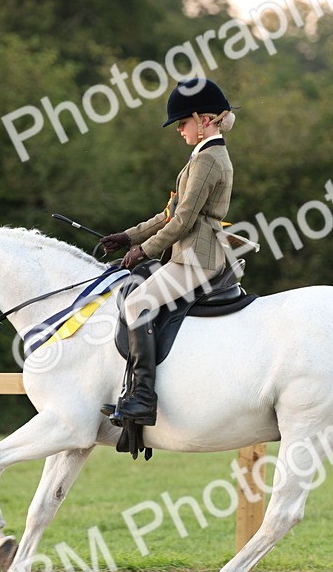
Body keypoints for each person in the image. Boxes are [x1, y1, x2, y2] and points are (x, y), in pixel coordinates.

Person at [99, 77, 237, 428]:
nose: (179, 130)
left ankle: (143, 398)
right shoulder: (201, 156)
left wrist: (143, 251)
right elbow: (168, 215)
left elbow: (184, 222)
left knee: (136, 304)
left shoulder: (208, 160)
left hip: (196, 257)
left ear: (204, 119)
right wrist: (127, 237)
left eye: (182, 123)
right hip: (187, 252)